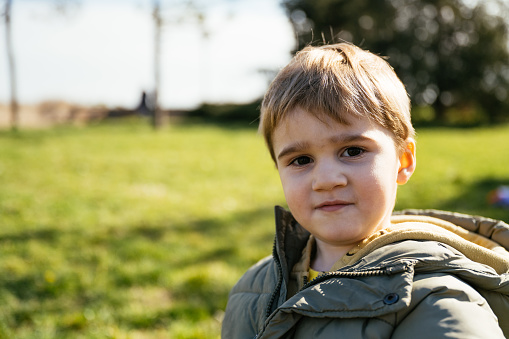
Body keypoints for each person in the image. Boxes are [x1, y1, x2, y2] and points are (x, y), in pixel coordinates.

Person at [221, 43, 509, 338]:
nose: (326, 180)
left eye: (352, 151)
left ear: (403, 161)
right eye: (301, 160)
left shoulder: (436, 299)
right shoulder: (254, 288)